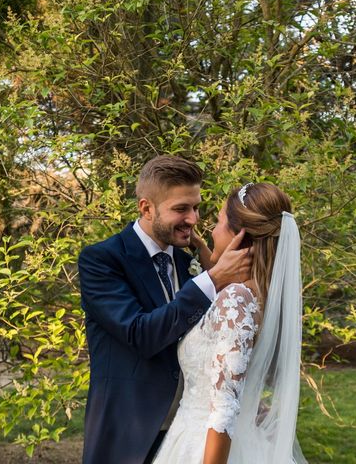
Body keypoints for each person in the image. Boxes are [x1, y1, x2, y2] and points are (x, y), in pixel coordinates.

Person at [78, 155, 252, 464]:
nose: (193, 219)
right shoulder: (102, 260)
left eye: (196, 207)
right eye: (181, 209)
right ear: (146, 208)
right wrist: (212, 280)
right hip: (128, 437)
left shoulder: (191, 263)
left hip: (188, 436)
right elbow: (140, 333)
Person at [153, 182, 307, 464]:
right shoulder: (261, 296)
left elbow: (223, 408)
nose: (210, 230)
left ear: (241, 235)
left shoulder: (235, 300)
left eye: (220, 220)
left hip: (204, 447)